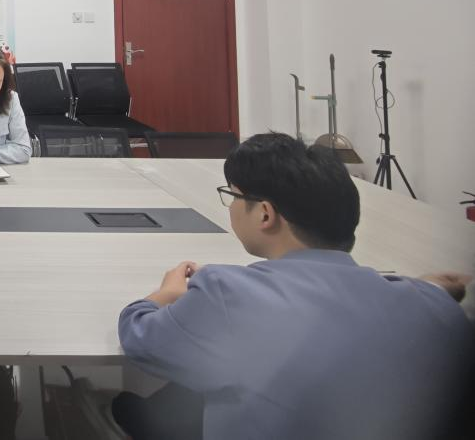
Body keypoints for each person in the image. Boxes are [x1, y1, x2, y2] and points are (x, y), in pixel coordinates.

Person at [114, 132, 473, 440]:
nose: (231, 206)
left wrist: (165, 296)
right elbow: (429, 293)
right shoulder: (434, 309)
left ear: (265, 214)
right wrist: (423, 288)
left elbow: (140, 337)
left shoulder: (225, 294)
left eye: (233, 195)